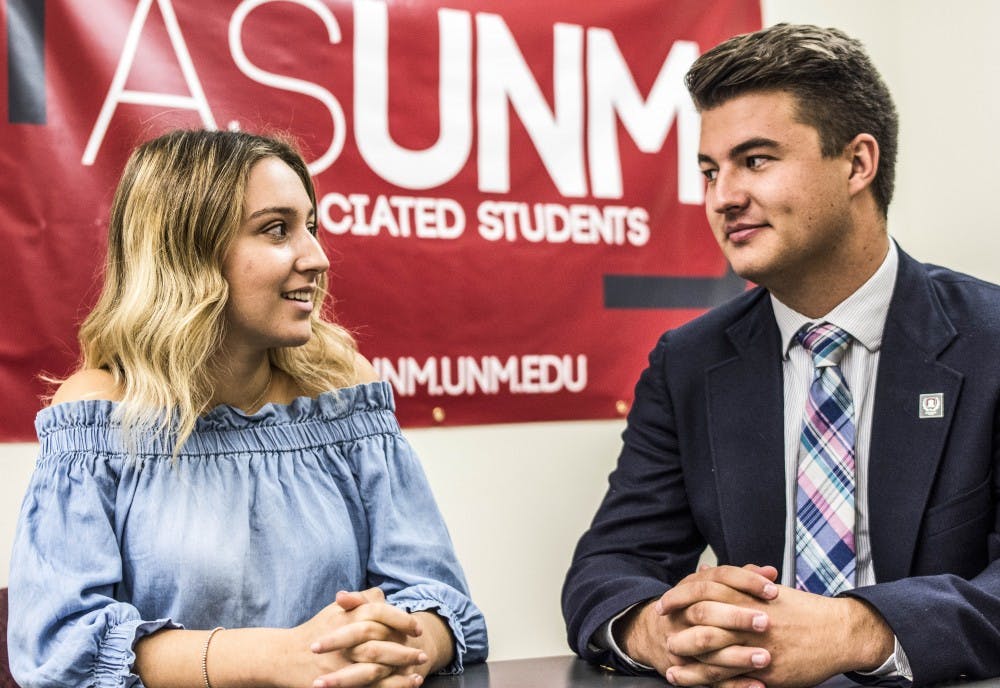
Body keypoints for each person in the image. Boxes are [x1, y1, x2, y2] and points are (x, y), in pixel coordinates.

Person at [562, 23, 1000, 688]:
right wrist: (660, 628)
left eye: (756, 160)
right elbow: (609, 565)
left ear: (858, 163)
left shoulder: (990, 339)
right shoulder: (688, 362)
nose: (722, 196)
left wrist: (858, 631)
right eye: (710, 170)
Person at [8, 129, 487, 688]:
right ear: (187, 252)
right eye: (277, 230)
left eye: (311, 226)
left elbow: (445, 603)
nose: (318, 257)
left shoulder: (343, 396)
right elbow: (58, 647)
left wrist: (406, 645)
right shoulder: (100, 414)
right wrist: (280, 659)